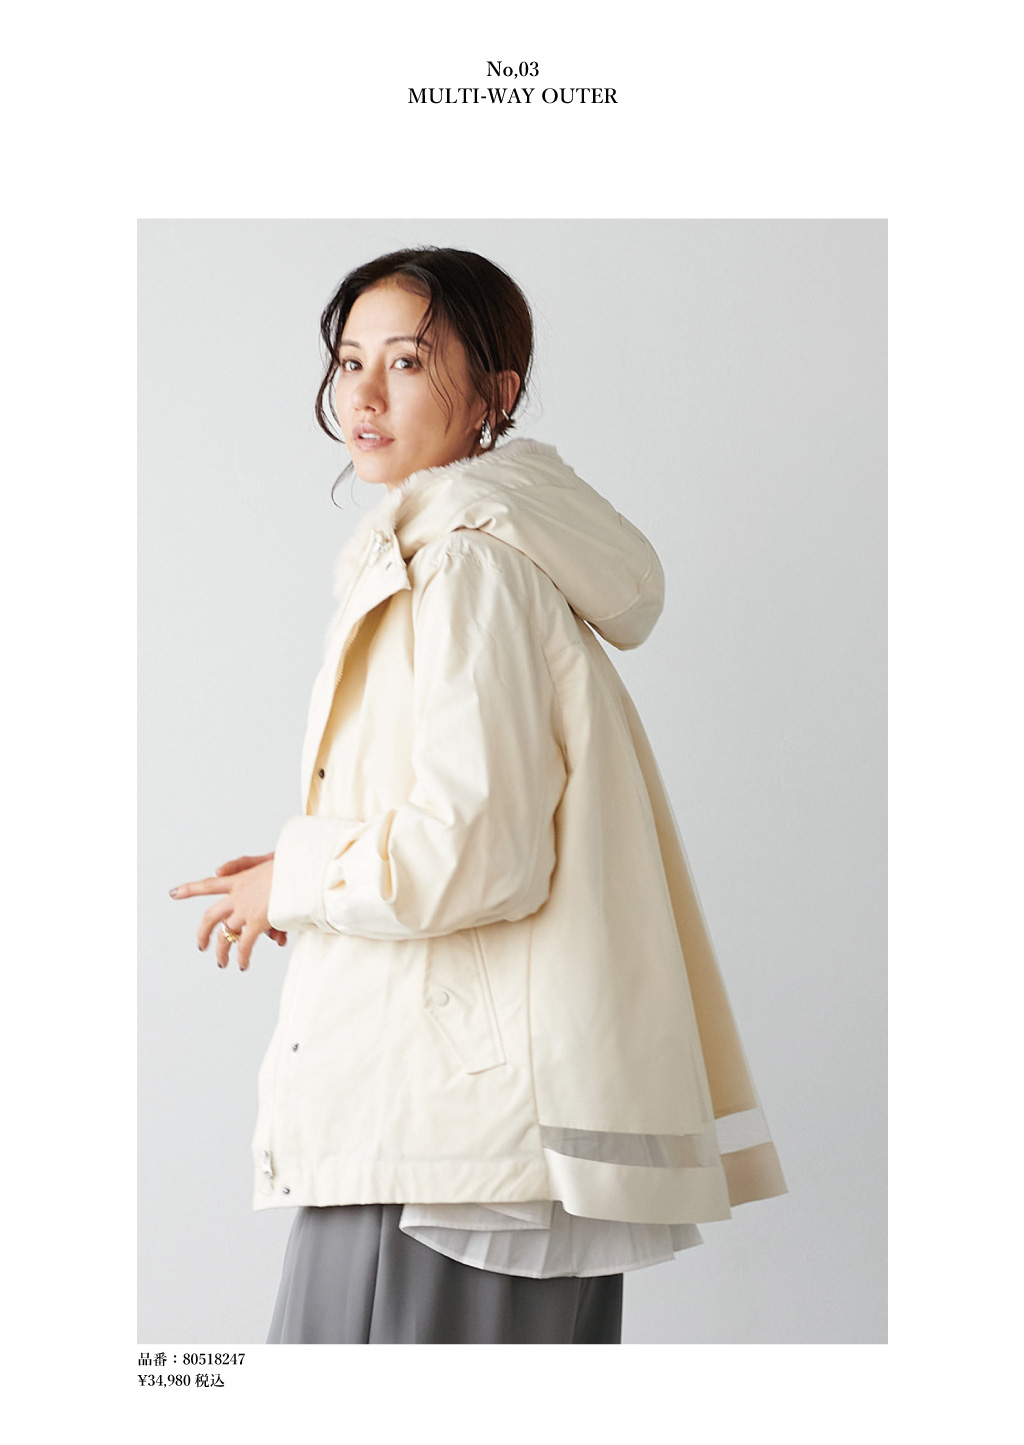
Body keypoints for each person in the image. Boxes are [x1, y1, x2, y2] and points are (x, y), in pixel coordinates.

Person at [170, 245, 787, 1345]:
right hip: (453, 1134)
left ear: (494, 393)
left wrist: (297, 877)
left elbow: (477, 853)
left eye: (407, 361)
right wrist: (303, 875)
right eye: (349, 360)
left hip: (449, 1147)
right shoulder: (459, 553)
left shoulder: (462, 566)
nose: (363, 394)